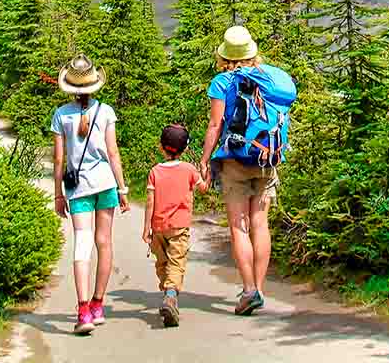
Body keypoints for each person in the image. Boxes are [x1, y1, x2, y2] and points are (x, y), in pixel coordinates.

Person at [197, 25, 292, 316]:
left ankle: (249, 289)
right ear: (251, 52)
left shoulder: (221, 82)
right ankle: (260, 289)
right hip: (266, 157)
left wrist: (204, 160)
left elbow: (215, 125)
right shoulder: (268, 78)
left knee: (239, 226)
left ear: (225, 55)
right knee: (260, 224)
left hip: (235, 160)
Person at [51, 56, 128, 336]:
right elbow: (113, 152)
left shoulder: (61, 115)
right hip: (106, 183)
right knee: (104, 242)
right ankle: (98, 304)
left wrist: (58, 194)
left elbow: (59, 160)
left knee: (82, 243)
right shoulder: (105, 111)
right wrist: (122, 188)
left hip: (78, 187)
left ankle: (83, 310)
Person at [141, 123, 206, 327]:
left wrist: (146, 228)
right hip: (179, 227)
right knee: (176, 262)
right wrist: (207, 173)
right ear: (185, 149)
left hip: (158, 227)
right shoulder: (189, 169)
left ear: (161, 147)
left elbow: (150, 201)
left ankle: (168, 294)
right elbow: (202, 188)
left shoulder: (154, 171)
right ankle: (170, 296)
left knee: (162, 263)